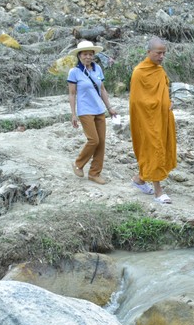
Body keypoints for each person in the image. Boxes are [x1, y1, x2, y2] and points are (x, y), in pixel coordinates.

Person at [129, 37, 176, 204]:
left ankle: (140, 179)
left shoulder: (159, 70)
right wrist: (158, 104)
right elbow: (136, 101)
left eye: (164, 53)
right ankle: (158, 192)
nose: (162, 56)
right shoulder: (139, 72)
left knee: (159, 147)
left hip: (161, 118)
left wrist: (169, 102)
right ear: (148, 52)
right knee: (154, 149)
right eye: (158, 53)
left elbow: (163, 90)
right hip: (146, 119)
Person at [67, 40, 117, 184]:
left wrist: (109, 108)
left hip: (99, 109)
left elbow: (102, 89)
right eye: (85, 54)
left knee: (101, 142)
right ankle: (78, 163)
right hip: (85, 111)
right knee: (93, 140)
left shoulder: (98, 69)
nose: (88, 57)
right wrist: (73, 114)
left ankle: (94, 173)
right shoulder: (74, 72)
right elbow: (72, 94)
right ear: (79, 55)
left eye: (90, 54)